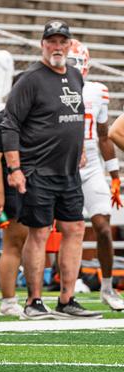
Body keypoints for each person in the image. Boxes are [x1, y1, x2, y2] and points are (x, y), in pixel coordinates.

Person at [1, 20, 100, 320]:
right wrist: (15, 168)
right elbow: (9, 124)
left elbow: (77, 115)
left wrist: (80, 148)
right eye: (52, 41)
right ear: (43, 44)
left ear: (70, 45)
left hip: (68, 170)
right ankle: (34, 302)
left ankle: (67, 299)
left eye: (63, 42)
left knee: (75, 229)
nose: (57, 47)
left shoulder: (74, 74)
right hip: (37, 169)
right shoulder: (30, 78)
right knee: (40, 232)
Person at [66, 39, 124, 311]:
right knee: (68, 230)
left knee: (103, 226)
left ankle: (107, 288)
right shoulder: (52, 89)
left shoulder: (97, 91)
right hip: (62, 165)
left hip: (90, 168)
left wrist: (114, 175)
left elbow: (103, 136)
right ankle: (66, 289)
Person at [0, 74, 28, 317]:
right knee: (15, 242)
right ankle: (9, 301)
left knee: (34, 243)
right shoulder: (1, 120)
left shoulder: (41, 119)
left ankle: (35, 299)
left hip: (39, 184)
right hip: (13, 186)